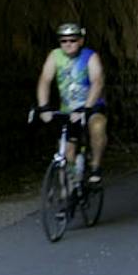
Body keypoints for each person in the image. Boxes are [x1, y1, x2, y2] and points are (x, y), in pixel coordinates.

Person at [36, 21, 108, 186]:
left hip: (91, 105)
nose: (68, 44)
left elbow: (97, 82)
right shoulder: (54, 56)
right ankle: (68, 193)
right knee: (66, 151)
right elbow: (45, 80)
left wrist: (87, 108)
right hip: (68, 110)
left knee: (97, 126)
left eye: (73, 40)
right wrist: (43, 107)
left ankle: (95, 166)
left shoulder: (90, 56)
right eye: (64, 40)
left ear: (80, 41)